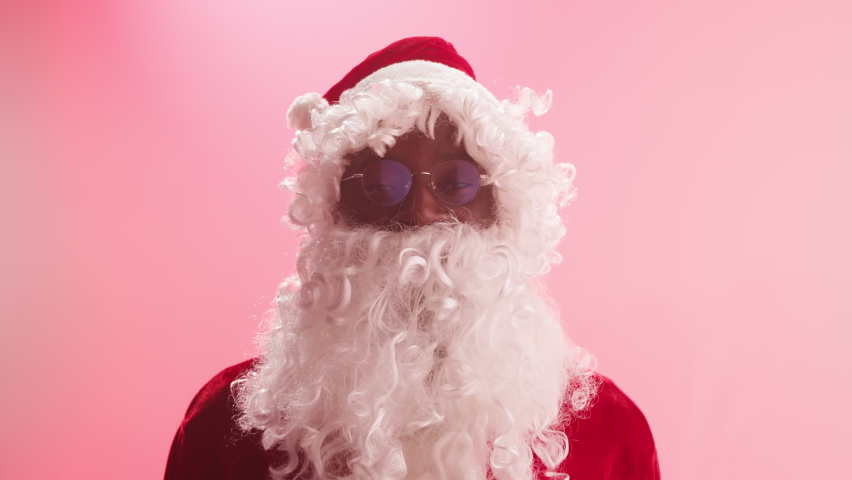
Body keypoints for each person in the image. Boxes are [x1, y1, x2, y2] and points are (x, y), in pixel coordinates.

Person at [165, 37, 660, 480]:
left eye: (458, 183)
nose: (422, 215)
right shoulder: (226, 425)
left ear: (501, 208)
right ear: (336, 212)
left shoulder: (610, 431)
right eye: (382, 185)